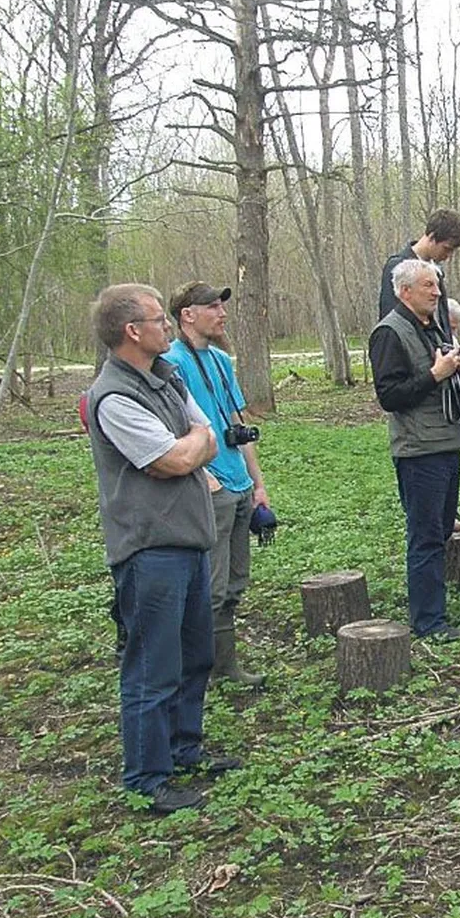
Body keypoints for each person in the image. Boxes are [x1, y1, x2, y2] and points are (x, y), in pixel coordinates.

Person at [85, 284, 240, 814]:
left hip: (190, 541)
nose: (168, 327)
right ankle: (148, 776)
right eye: (158, 319)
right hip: (149, 550)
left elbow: (207, 435)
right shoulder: (112, 397)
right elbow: (169, 460)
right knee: (153, 666)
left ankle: (184, 749)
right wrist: (191, 446)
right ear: (133, 331)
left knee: (195, 656)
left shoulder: (165, 377)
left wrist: (191, 445)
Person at [162, 282, 269, 689]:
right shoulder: (171, 362)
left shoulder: (222, 361)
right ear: (187, 314)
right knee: (212, 586)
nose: (222, 314)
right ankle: (199, 672)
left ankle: (225, 665)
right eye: (212, 307)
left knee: (235, 583)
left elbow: (240, 427)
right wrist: (206, 479)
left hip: (239, 484)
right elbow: (172, 432)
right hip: (211, 487)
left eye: (222, 306)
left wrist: (258, 484)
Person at [368, 259, 460, 640]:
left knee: (442, 528)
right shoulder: (388, 333)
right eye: (428, 285)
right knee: (426, 534)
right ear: (404, 291)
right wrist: (436, 374)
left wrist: (458, 364)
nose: (437, 292)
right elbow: (390, 396)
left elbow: (438, 371)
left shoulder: (434, 325)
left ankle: (434, 604)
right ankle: (429, 621)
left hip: (448, 439)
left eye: (437, 285)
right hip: (418, 449)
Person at [378, 209, 460, 322]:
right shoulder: (397, 267)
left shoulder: (437, 271)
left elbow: (441, 319)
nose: (448, 256)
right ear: (431, 237)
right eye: (446, 248)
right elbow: (390, 316)